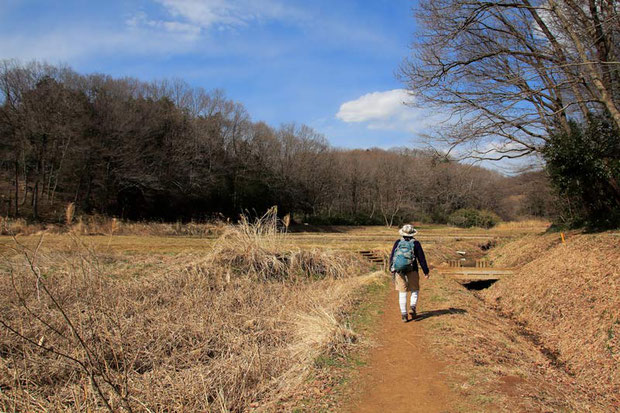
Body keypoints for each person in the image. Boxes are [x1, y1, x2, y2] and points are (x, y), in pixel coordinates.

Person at [389, 224, 430, 322]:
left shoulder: (398, 242)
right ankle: (412, 307)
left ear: (402, 233)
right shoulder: (416, 243)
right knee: (414, 289)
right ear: (412, 233)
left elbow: (392, 256)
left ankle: (404, 314)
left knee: (402, 292)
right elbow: (421, 259)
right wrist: (426, 271)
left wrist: (391, 268)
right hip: (413, 269)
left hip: (399, 270)